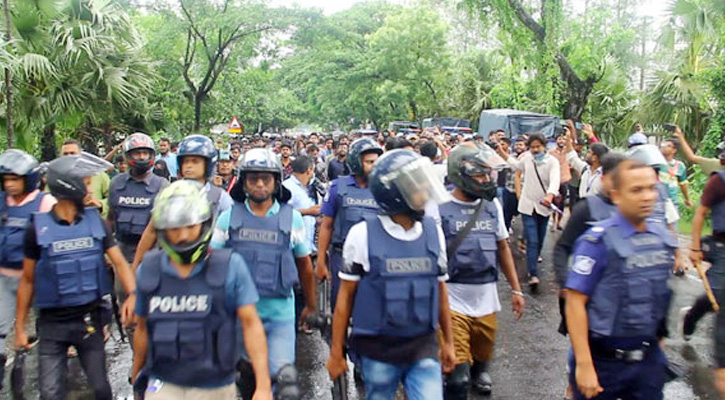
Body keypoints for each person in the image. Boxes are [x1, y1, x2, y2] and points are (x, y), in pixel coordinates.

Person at [326, 149, 456, 400]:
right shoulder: (362, 235)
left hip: (422, 346)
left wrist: (448, 342)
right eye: (417, 187)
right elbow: (344, 301)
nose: (425, 193)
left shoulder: (433, 232)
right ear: (395, 193)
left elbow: (440, 291)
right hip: (378, 350)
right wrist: (336, 353)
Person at [131, 181, 272, 400]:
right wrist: (136, 380)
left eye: (190, 226)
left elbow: (251, 325)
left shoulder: (230, 266)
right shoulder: (148, 270)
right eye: (175, 228)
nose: (183, 235)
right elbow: (142, 330)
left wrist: (263, 386)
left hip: (214, 385)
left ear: (205, 223)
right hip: (163, 382)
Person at [15, 154, 137, 400]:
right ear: (71, 185)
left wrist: (133, 295)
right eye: (87, 182)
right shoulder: (36, 230)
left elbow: (120, 263)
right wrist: (19, 327)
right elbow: (27, 280)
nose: (90, 188)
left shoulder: (97, 224)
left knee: (101, 389)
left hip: (89, 321)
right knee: (50, 392)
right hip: (51, 324)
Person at [565, 160, 676, 400]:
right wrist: (584, 366)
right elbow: (575, 302)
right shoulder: (597, 241)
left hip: (646, 362)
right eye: (636, 190)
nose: (647, 196)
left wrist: (658, 352)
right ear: (616, 195)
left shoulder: (661, 239)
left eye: (651, 188)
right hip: (603, 361)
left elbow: (659, 298)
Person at [212, 148, 316, 399]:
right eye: (253, 178)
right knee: (248, 381)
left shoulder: (292, 219)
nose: (260, 184)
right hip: (240, 317)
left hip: (279, 314)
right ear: (244, 182)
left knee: (285, 383)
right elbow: (212, 264)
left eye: (266, 178)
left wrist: (311, 305)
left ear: (276, 181)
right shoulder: (228, 219)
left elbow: (304, 265)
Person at [433, 144, 525, 398]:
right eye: (480, 175)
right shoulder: (439, 207)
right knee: (457, 380)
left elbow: (503, 247)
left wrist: (517, 289)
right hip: (452, 298)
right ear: (461, 175)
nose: (486, 181)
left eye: (488, 175)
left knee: (482, 354)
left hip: (486, 297)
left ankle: (479, 370)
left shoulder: (492, 205)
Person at [552, 153, 626, 399]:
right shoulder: (588, 208)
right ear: (603, 177)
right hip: (587, 296)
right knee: (582, 344)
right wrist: (566, 283)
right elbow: (562, 247)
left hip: (620, 300)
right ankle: (574, 383)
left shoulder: (632, 209)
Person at [132, 134, 233, 270]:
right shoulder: (170, 194)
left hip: (207, 268)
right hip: (172, 263)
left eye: (195, 161)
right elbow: (151, 232)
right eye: (185, 161)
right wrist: (136, 267)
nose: (189, 166)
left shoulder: (221, 198)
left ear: (208, 164)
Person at [0, 150, 56, 385]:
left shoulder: (44, 202)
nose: (10, 185)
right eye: (6, 180)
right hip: (5, 277)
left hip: (37, 277)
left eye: (15, 179)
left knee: (49, 327)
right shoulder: (2, 201)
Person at [315, 137, 383, 309]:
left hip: (374, 258)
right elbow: (327, 226)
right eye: (369, 162)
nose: (374, 165)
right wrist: (321, 262)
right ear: (357, 162)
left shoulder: (383, 190)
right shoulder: (338, 187)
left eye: (377, 161)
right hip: (342, 256)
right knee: (341, 305)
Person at [497, 132, 560, 291]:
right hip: (527, 206)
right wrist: (502, 152)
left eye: (538, 146)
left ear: (544, 146)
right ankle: (533, 274)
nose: (535, 150)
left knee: (539, 237)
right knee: (532, 239)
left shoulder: (552, 162)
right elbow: (515, 166)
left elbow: (555, 180)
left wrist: (550, 195)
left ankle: (533, 266)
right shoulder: (527, 159)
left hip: (544, 206)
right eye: (532, 147)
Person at [61, 140, 111, 218]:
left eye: (72, 153)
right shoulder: (56, 177)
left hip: (93, 221)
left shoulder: (98, 175)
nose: (69, 157)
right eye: (65, 154)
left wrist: (100, 205)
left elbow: (113, 198)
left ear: (81, 155)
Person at [659, 138, 693, 208]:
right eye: (663, 145)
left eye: (668, 146)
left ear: (674, 150)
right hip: (657, 203)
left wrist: (687, 199)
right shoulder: (656, 163)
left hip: (672, 203)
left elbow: (683, 184)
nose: (664, 147)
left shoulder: (680, 166)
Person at [549, 132, 572, 230]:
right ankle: (553, 221)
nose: (561, 141)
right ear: (556, 141)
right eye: (559, 139)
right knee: (553, 202)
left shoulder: (568, 152)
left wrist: (569, 135)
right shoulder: (550, 153)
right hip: (554, 180)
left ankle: (559, 222)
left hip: (564, 180)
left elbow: (572, 145)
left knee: (562, 203)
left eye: (563, 139)